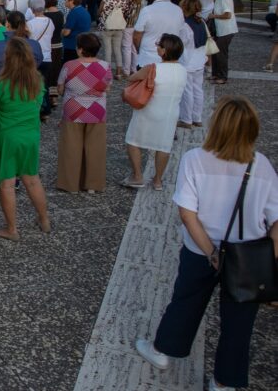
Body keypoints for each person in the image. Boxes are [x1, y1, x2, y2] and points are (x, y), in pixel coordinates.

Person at [135, 96, 278, 391]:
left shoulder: (194, 159)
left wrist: (212, 253)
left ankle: (163, 351)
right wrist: (269, 258)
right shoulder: (261, 165)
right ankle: (223, 382)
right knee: (239, 323)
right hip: (247, 257)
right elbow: (276, 219)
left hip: (201, 250)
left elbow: (188, 214)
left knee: (186, 302)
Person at [0, 38, 51, 241]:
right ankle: (44, 219)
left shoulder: (0, 84)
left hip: (6, 136)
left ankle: (12, 229)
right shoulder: (37, 80)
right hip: (30, 135)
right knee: (32, 179)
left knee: (7, 184)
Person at [123, 34, 188, 191]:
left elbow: (131, 78)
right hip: (170, 113)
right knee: (163, 146)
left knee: (133, 141)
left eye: (159, 45)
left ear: (163, 51)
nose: (157, 47)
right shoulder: (183, 70)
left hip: (148, 110)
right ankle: (158, 180)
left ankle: (138, 176)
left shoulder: (152, 68)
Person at [56, 33, 112, 193]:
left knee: (71, 146)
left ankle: (71, 184)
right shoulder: (105, 66)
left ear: (80, 49)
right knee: (95, 148)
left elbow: (60, 88)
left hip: (73, 109)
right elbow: (107, 87)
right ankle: (93, 185)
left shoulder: (69, 65)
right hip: (97, 110)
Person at [134, 0, 184, 68]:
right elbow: (181, 31)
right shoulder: (178, 10)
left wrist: (139, 48)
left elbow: (137, 35)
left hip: (148, 57)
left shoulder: (147, 10)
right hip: (170, 57)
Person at [178, 0, 208, 128]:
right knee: (198, 90)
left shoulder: (185, 25)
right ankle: (197, 117)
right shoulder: (201, 22)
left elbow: (181, 43)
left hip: (187, 61)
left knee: (187, 91)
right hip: (200, 60)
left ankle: (186, 119)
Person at [97, 0, 128, 77]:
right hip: (119, 27)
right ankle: (119, 72)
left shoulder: (105, 0)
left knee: (108, 50)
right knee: (117, 50)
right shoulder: (124, 1)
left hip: (106, 28)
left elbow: (99, 13)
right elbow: (125, 14)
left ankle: (108, 73)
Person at [209, 0, 237, 85]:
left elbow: (227, 14)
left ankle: (223, 76)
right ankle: (215, 74)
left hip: (226, 30)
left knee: (221, 54)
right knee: (216, 52)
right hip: (220, 30)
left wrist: (214, 16)